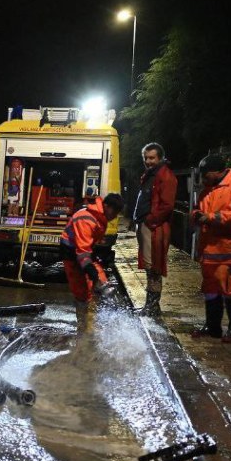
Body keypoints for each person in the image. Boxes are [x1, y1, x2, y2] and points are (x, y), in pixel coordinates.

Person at [191, 154, 231, 343]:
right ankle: (213, 327)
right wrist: (196, 215)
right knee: (211, 287)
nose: (203, 179)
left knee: (230, 286)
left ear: (216, 172)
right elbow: (198, 208)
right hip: (211, 249)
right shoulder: (209, 189)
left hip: (229, 248)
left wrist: (212, 218)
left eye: (205, 175)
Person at [60, 193, 125, 331]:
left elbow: (88, 246)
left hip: (84, 251)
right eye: (114, 211)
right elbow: (82, 249)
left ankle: (91, 322)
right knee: (81, 291)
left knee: (102, 283)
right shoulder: (87, 219)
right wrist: (89, 269)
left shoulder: (100, 217)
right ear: (106, 206)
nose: (115, 216)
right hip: (71, 252)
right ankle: (83, 327)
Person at [133, 142, 177, 315]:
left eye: (152, 158)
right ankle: (151, 306)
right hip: (148, 225)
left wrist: (150, 221)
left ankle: (152, 307)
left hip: (154, 227)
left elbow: (167, 206)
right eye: (146, 158)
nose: (148, 161)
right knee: (150, 266)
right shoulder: (151, 174)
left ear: (160, 158)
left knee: (154, 267)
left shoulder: (165, 176)